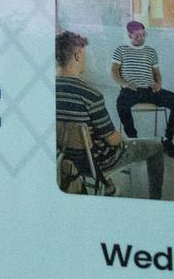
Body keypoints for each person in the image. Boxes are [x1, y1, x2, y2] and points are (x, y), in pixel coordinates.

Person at [58, 30, 165, 199]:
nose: (86, 58)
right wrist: (122, 138)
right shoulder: (90, 94)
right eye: (85, 54)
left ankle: (108, 187)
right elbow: (113, 140)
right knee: (157, 147)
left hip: (62, 158)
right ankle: (156, 200)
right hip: (95, 162)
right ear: (77, 55)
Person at [110, 20, 174, 156]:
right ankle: (134, 141)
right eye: (137, 35)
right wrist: (125, 84)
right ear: (129, 35)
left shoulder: (151, 51)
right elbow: (114, 71)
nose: (141, 38)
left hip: (150, 89)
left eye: (143, 34)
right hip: (130, 90)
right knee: (121, 105)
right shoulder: (120, 50)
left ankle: (168, 140)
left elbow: (157, 73)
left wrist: (158, 84)